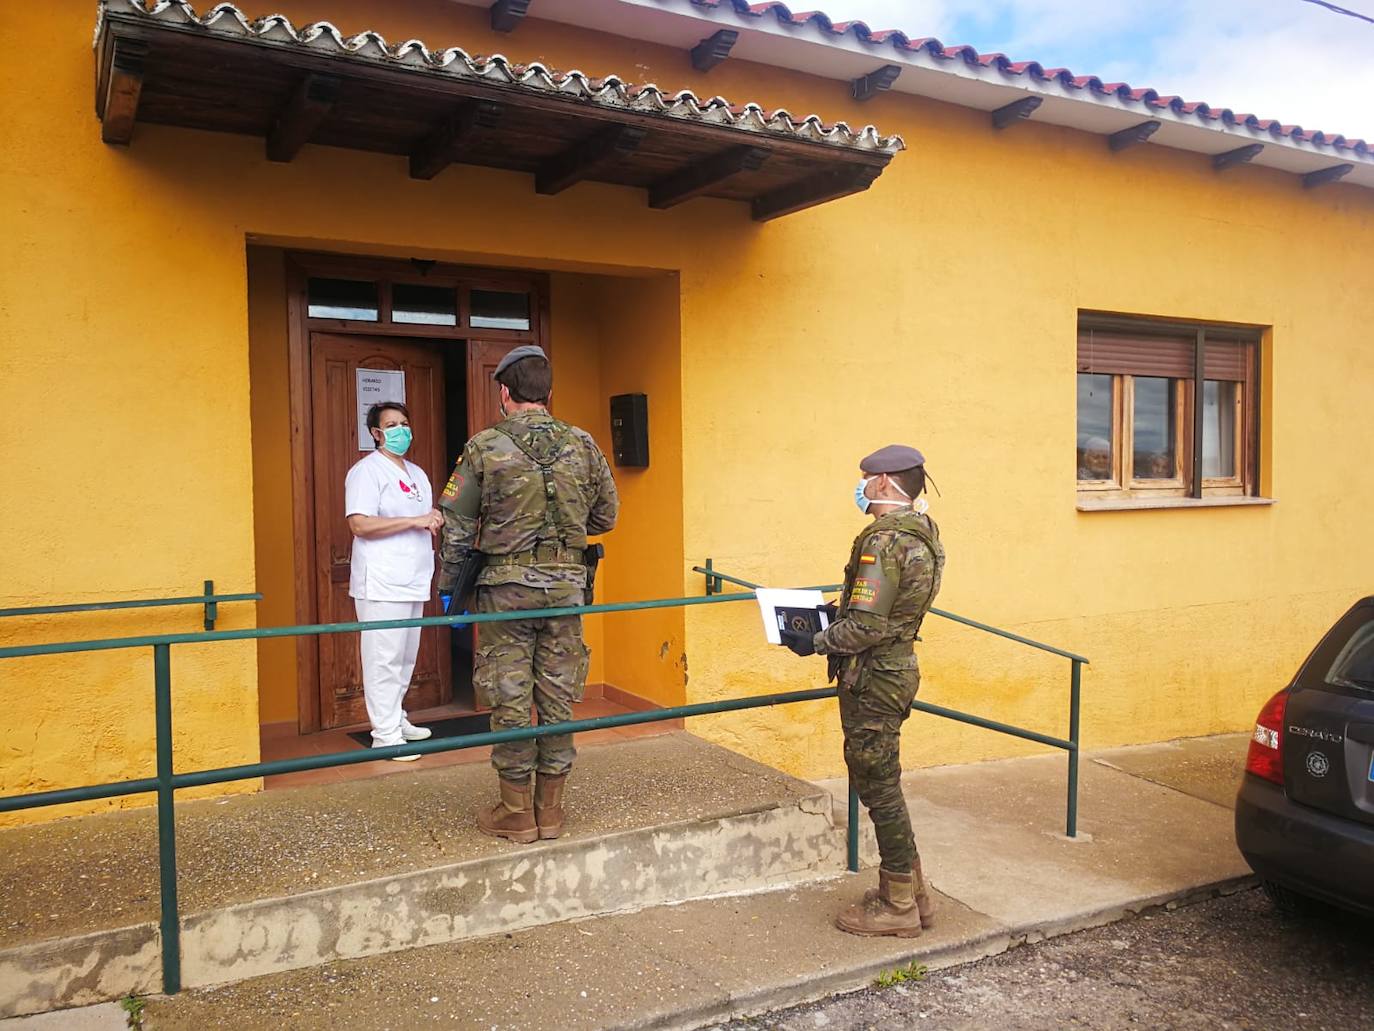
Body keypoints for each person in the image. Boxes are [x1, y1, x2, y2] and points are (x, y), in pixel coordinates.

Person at [437, 345, 618, 843]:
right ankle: (551, 813)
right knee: (558, 697)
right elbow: (607, 517)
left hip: (505, 592)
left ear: (504, 392)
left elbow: (456, 525)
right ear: (548, 393)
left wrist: (450, 590)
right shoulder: (583, 444)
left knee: (510, 696)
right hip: (566, 591)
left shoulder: (484, 446)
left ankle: (516, 814)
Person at [780, 445, 946, 938]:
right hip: (895, 669)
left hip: (873, 676)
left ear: (884, 484)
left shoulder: (884, 541)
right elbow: (883, 610)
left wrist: (813, 640)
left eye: (867, 479)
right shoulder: (923, 534)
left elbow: (868, 627)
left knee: (879, 787)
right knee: (884, 782)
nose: (862, 487)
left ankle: (898, 907)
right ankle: (914, 894)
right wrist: (836, 615)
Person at [345, 401, 443, 761]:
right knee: (382, 658)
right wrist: (415, 521)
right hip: (381, 581)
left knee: (404, 658)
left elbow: (424, 517)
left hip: (414, 577)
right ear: (376, 433)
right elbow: (359, 524)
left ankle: (396, 718)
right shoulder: (366, 472)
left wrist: (431, 521)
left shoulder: (417, 473)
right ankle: (384, 735)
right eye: (392, 424)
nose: (401, 430)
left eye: (405, 422)